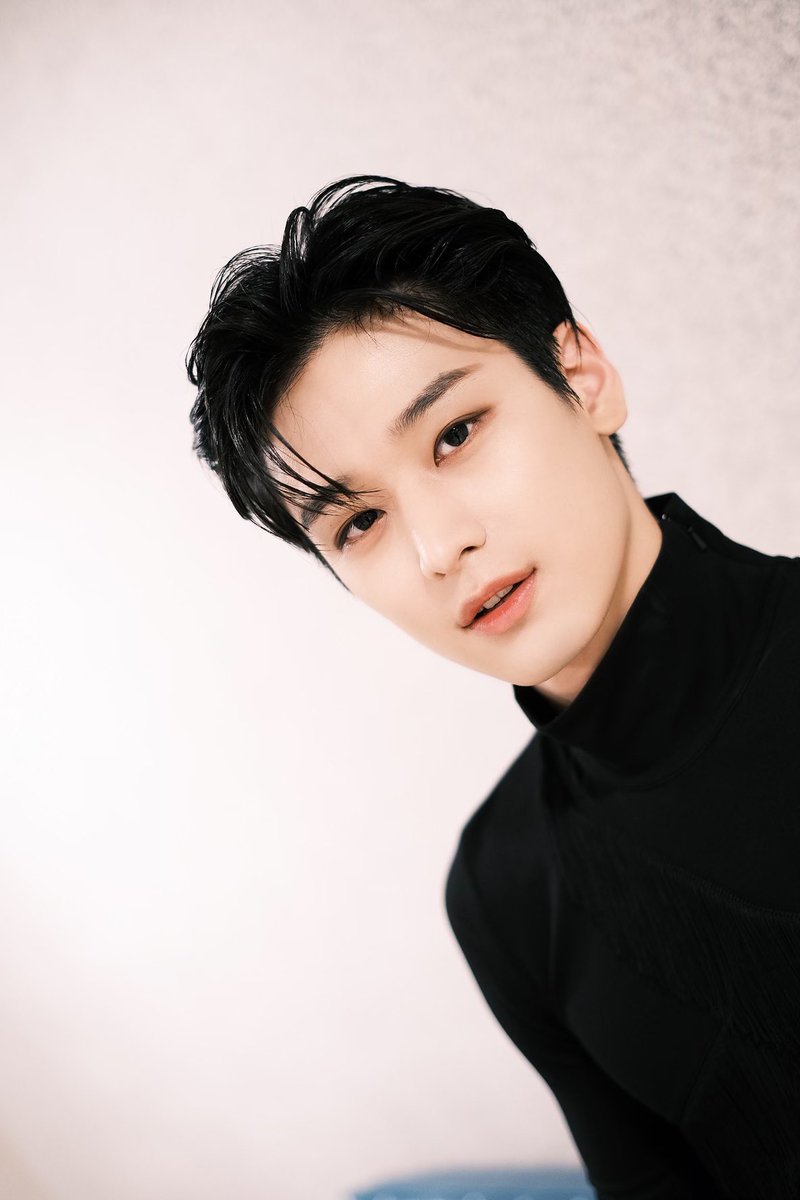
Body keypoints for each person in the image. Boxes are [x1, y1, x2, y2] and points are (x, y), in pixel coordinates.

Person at [185, 174, 800, 1200]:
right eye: (359, 523)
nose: (438, 547)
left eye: (455, 434)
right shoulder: (502, 889)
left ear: (582, 377)